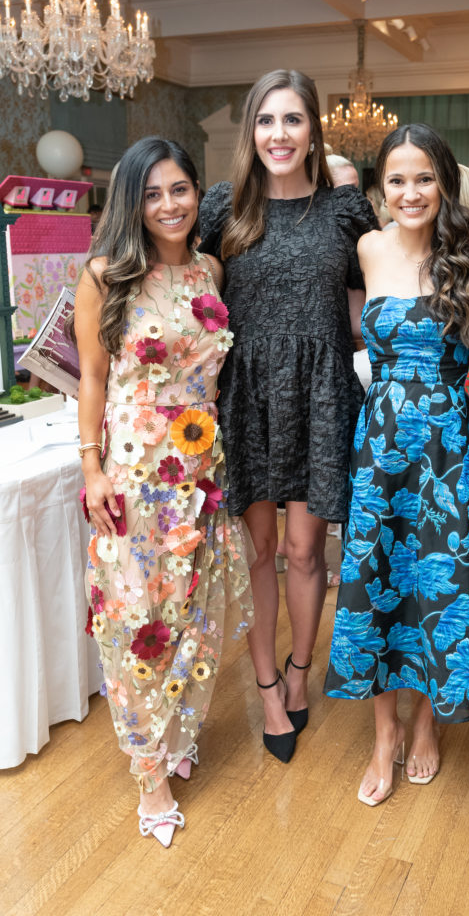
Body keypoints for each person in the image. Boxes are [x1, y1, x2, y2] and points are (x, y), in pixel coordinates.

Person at [74, 137, 253, 847]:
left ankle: (175, 725)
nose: (169, 205)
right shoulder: (106, 274)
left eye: (179, 189)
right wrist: (92, 469)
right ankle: (148, 772)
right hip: (137, 474)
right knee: (136, 618)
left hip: (202, 470)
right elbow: (91, 378)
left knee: (192, 612)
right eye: (152, 194)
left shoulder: (209, 269)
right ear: (132, 202)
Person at [198, 70, 376, 764]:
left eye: (292, 120)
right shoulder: (222, 208)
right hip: (245, 396)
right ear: (252, 131)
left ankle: (301, 671)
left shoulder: (344, 210)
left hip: (321, 393)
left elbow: (375, 302)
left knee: (307, 552)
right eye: (266, 120)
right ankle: (267, 687)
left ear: (312, 131)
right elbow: (190, 298)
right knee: (260, 552)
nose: (278, 134)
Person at [324, 123, 469, 806]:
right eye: (396, 179)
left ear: (444, 183)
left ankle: (428, 722)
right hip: (380, 441)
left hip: (446, 446)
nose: (410, 191)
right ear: (379, 188)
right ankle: (383, 734)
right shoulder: (365, 248)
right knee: (378, 577)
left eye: (423, 177)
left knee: (439, 581)